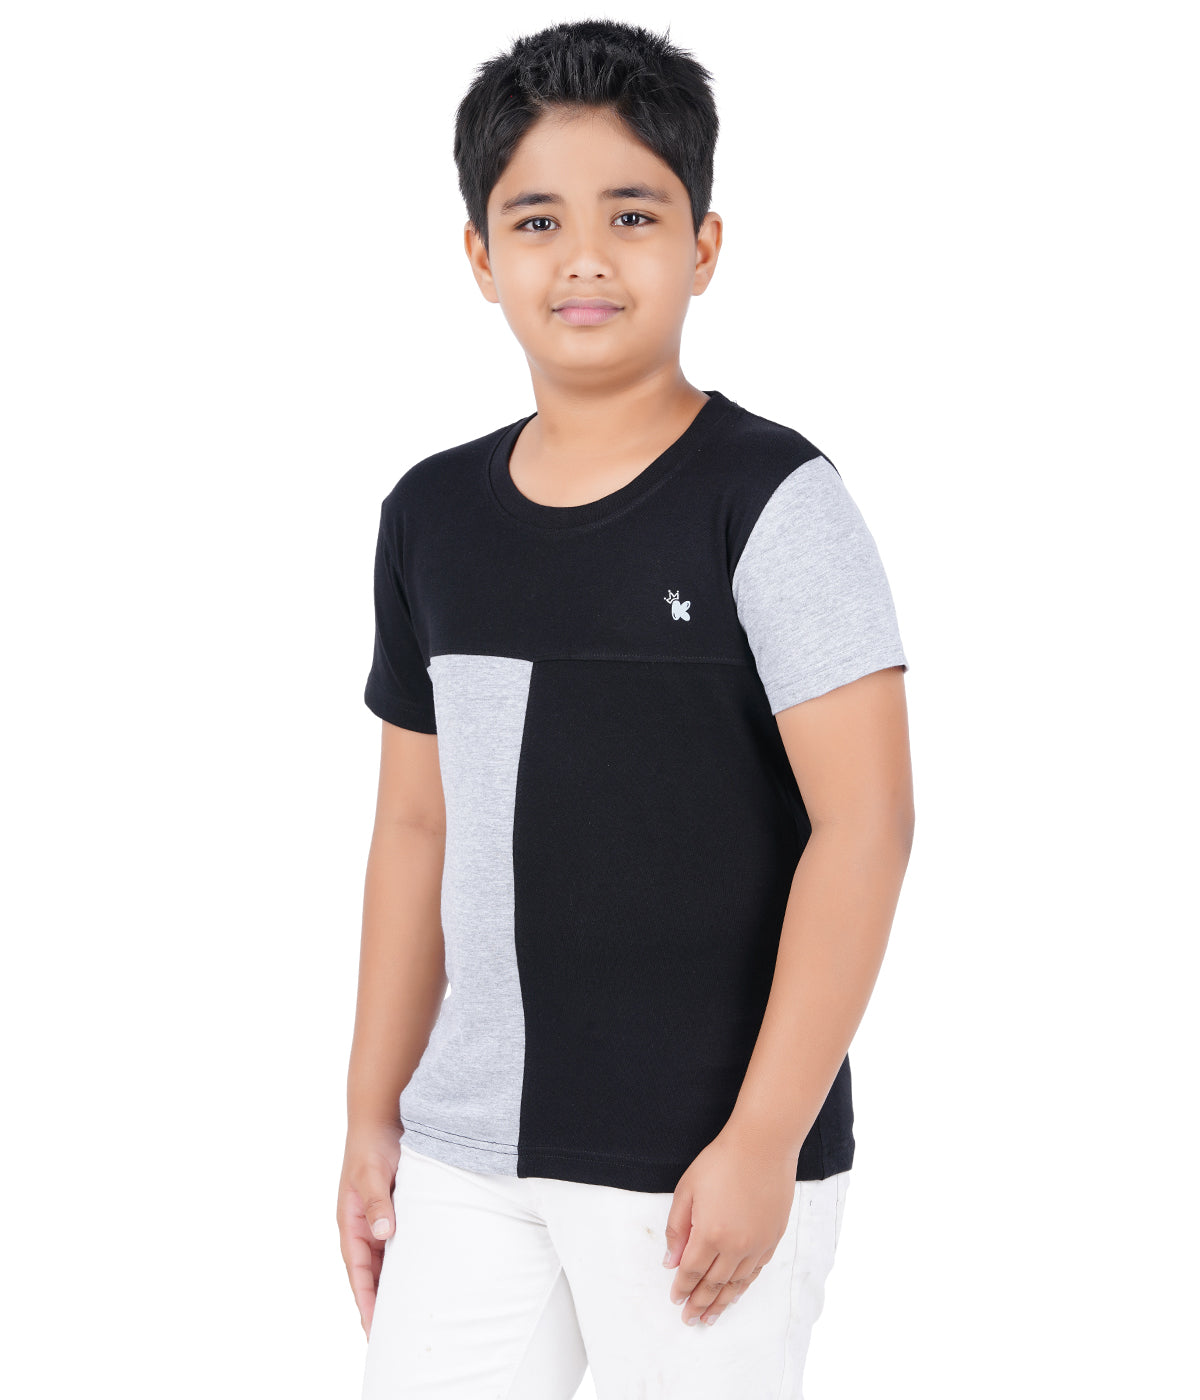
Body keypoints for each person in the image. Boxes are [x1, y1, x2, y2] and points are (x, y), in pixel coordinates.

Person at [337, 18, 914, 1399]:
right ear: (480, 255)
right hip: (469, 1153)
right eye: (538, 219)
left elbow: (869, 826)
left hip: (704, 1162)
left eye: (634, 215)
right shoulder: (430, 516)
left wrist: (764, 1139)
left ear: (704, 247)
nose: (585, 256)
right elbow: (416, 829)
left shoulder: (772, 501)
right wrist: (370, 1113)